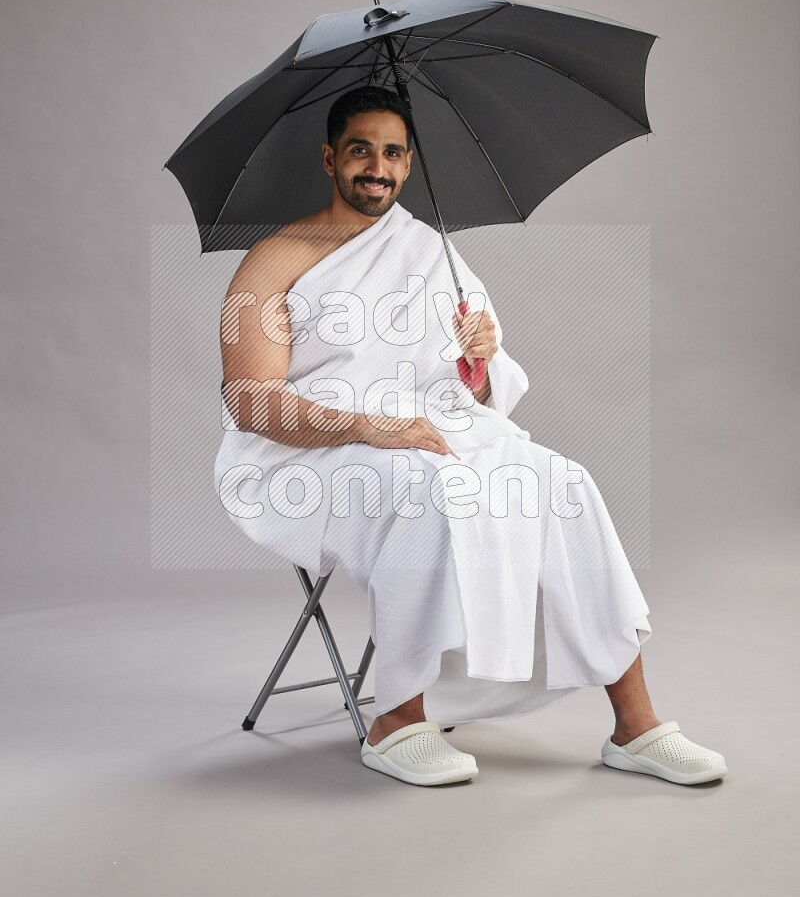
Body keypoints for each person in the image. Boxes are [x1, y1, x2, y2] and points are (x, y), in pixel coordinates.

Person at [213, 85, 727, 789]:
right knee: (426, 488)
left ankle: (635, 727)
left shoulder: (431, 251)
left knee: (564, 483)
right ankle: (397, 718)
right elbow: (252, 404)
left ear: (410, 162)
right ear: (331, 158)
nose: (378, 166)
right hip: (311, 451)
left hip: (430, 426)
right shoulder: (270, 261)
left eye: (394, 152)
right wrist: (371, 426)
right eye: (361, 149)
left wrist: (477, 359)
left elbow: (476, 391)